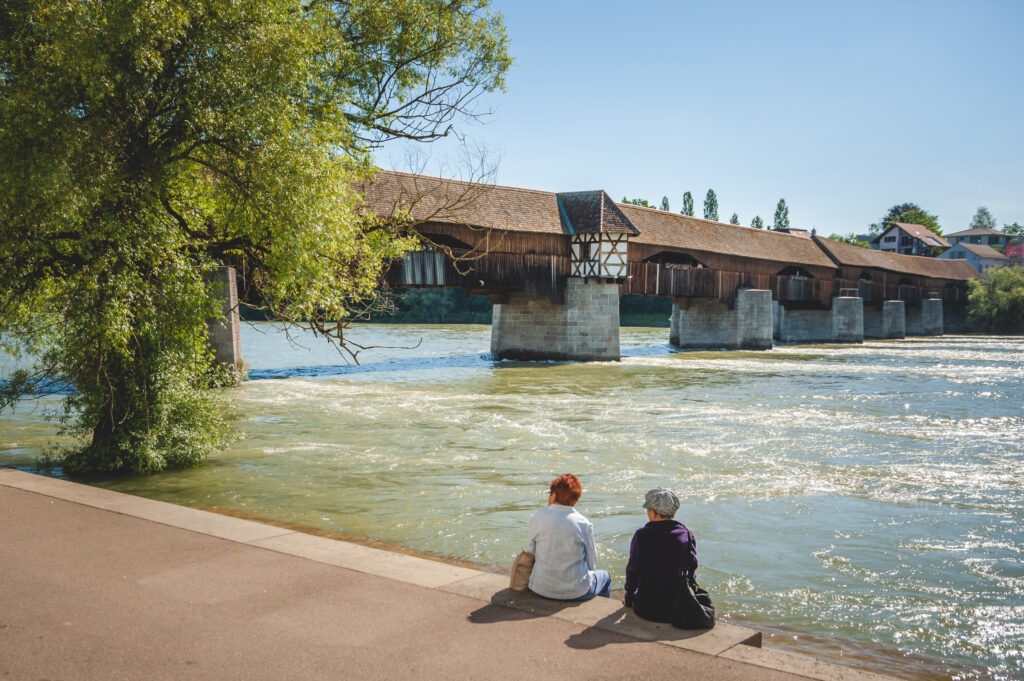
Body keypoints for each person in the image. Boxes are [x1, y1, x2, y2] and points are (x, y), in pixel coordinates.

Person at [528, 473, 611, 601]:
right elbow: (591, 561)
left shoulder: (538, 516)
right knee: (606, 577)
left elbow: (531, 552)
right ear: (576, 499)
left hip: (540, 588)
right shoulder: (583, 523)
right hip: (576, 592)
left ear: (553, 495)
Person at [623, 487, 698, 623]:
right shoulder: (687, 535)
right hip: (676, 610)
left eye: (648, 510)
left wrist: (629, 600)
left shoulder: (642, 535)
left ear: (653, 512)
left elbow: (632, 571)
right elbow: (692, 571)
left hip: (645, 609)